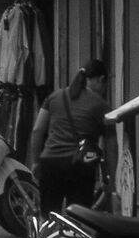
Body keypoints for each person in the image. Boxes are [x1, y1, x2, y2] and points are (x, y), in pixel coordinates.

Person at [29, 58, 112, 216]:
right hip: (80, 168)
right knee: (79, 221)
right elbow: (111, 143)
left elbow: (38, 130)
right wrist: (111, 178)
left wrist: (35, 162)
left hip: (50, 165)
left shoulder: (54, 97)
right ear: (101, 80)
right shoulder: (100, 105)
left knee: (49, 218)